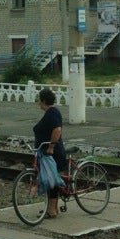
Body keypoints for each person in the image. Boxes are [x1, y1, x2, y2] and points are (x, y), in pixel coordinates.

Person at [33, 87, 66, 217]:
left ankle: (51, 210)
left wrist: (51, 147)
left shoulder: (52, 113)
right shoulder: (50, 113)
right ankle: (52, 209)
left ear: (43, 100)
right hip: (46, 152)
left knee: (51, 180)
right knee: (50, 179)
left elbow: (57, 130)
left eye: (39, 100)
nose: (38, 103)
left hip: (53, 153)